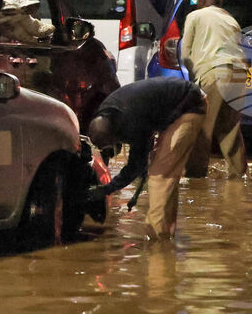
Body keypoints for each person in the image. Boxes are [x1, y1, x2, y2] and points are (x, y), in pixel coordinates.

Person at [86, 78, 207, 240]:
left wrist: (107, 189)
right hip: (176, 105)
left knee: (160, 175)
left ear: (115, 135)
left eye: (112, 144)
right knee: (166, 172)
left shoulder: (130, 121)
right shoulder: (109, 113)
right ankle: (166, 232)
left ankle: (156, 238)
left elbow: (135, 166)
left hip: (190, 105)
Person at [180, 0, 248, 179]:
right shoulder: (231, 20)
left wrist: (195, 78)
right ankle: (238, 177)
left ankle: (194, 179)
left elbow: (186, 54)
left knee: (202, 127)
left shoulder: (195, 16)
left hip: (215, 72)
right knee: (230, 128)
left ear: (202, 2)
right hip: (239, 75)